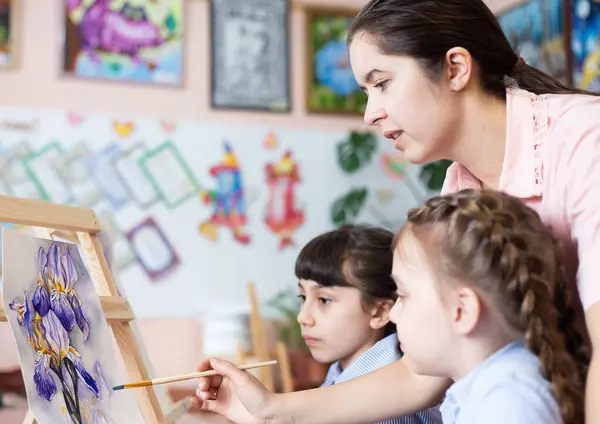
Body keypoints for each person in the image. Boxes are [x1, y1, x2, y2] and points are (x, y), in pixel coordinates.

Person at [194, 0, 600, 422]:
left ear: (456, 68)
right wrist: (271, 410)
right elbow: (421, 375)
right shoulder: (459, 187)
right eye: (366, 92)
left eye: (382, 83)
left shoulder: (585, 140)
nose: (370, 113)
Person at [389, 189, 585, 423]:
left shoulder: (509, 402)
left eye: (402, 295)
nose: (393, 314)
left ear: (462, 310)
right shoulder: (493, 392)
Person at [295, 225, 442, 423]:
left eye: (324, 300)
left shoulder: (387, 407)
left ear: (380, 312)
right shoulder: (341, 372)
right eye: (303, 297)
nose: (303, 317)